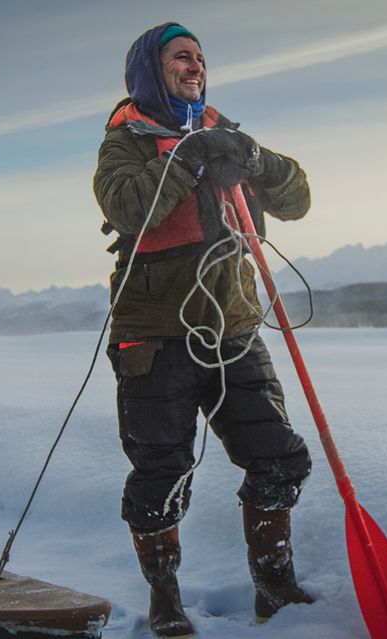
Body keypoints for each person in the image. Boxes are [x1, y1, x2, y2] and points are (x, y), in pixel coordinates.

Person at [93, 22, 313, 638]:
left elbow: (296, 199)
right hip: (155, 336)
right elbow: (127, 205)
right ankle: (165, 600)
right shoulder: (125, 142)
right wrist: (184, 161)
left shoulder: (224, 133)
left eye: (198, 57)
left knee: (278, 459)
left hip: (235, 326)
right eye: (179, 57)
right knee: (162, 471)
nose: (193, 64)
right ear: (149, 72)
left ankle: (274, 586)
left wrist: (259, 161)